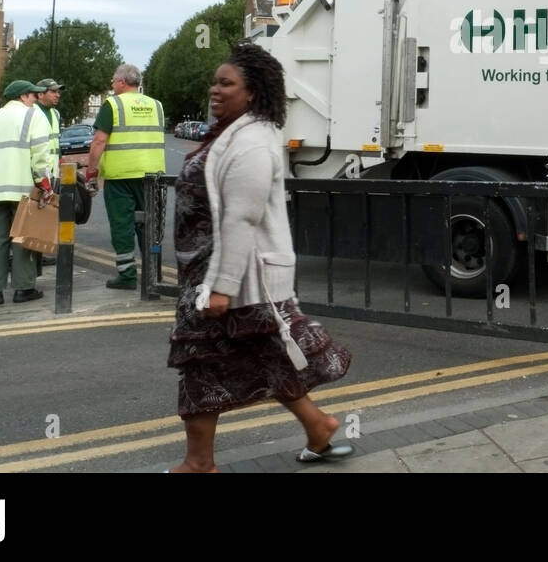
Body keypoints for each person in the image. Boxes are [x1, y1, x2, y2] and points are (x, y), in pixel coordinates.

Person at [167, 43, 353, 472]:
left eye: (226, 83)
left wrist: (221, 288)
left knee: (199, 362)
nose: (215, 89)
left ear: (252, 92)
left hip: (233, 279)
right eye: (214, 81)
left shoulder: (252, 142)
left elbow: (241, 219)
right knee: (264, 357)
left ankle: (198, 464)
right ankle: (318, 428)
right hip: (214, 274)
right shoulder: (230, 133)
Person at [86, 64, 166, 289]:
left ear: (122, 82)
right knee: (150, 225)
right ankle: (152, 275)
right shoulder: (156, 106)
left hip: (121, 176)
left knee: (122, 225)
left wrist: (92, 172)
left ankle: (127, 275)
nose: (112, 85)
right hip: (153, 176)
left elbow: (99, 141)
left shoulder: (112, 104)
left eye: (113, 81)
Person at [0, 80, 54, 305]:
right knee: (22, 239)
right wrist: (44, 183)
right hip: (22, 189)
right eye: (33, 96)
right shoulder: (33, 116)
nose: (35, 100)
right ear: (22, 96)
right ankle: (24, 288)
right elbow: (40, 154)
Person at [34, 78, 63, 174]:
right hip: (37, 172)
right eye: (53, 92)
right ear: (40, 94)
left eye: (58, 92)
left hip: (54, 170)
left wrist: (60, 158)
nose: (58, 95)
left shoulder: (55, 113)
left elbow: (55, 141)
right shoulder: (31, 112)